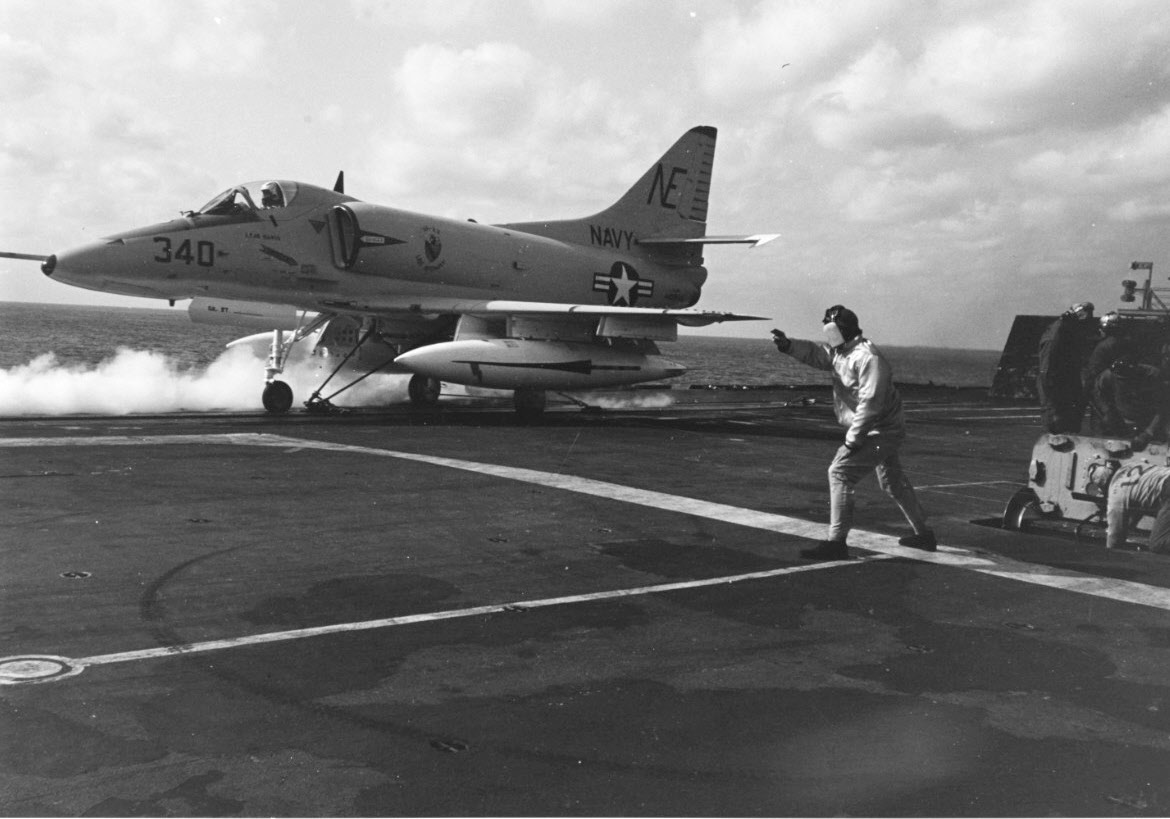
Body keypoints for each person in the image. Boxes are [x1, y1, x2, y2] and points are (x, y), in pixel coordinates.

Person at [772, 305, 935, 560]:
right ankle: (924, 535)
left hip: (881, 430)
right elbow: (817, 354)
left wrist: (853, 440)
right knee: (892, 481)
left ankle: (836, 543)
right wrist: (788, 345)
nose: (829, 335)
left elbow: (871, 404)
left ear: (842, 330)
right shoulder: (842, 353)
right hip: (879, 429)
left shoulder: (868, 358)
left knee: (839, 472)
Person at [1036, 301, 1096, 433]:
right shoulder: (1057, 334)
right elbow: (1046, 370)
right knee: (1057, 429)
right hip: (1055, 391)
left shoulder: (1067, 331)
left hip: (1065, 389)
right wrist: (1052, 401)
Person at [1103, 461, 1170, 552]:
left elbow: (1114, 538)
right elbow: (1139, 496)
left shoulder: (1115, 495)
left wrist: (1108, 555)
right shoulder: (1130, 465)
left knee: (1158, 544)